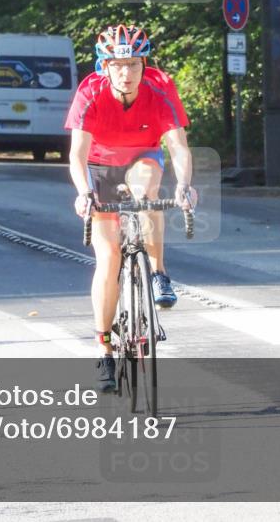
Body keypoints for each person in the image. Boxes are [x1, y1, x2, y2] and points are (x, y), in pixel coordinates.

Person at [64, 24, 198, 392]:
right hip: (99, 167)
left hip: (142, 156)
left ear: (144, 64)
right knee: (108, 258)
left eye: (134, 64)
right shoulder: (90, 92)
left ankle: (158, 273)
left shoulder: (160, 86)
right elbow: (76, 155)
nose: (127, 73)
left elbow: (178, 147)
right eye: (118, 65)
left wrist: (185, 185)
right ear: (104, 66)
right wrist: (83, 192)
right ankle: (103, 347)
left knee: (147, 190)